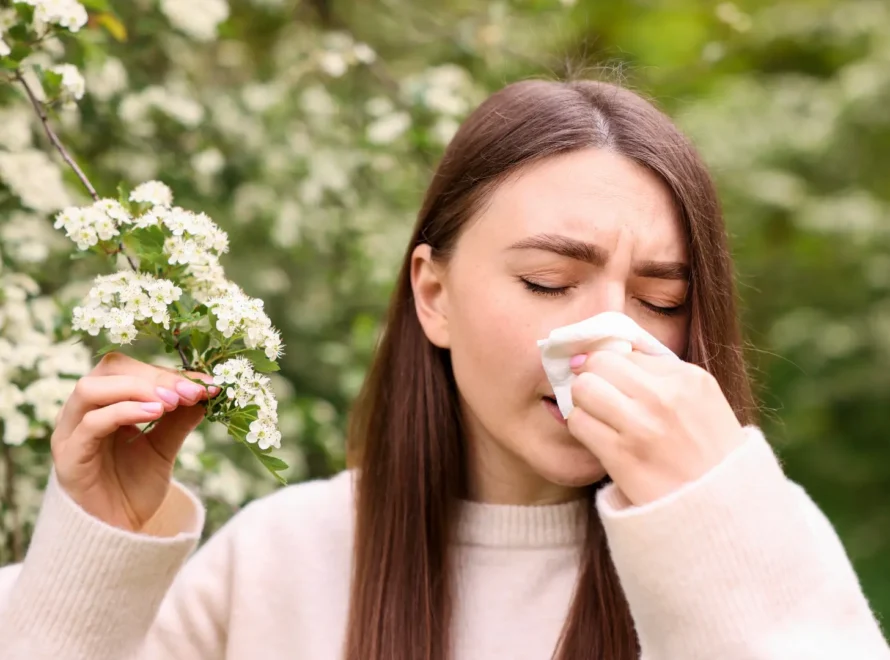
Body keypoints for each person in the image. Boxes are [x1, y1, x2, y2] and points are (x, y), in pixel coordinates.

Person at [0, 79, 888, 660]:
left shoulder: (762, 541)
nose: (610, 337)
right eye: (549, 281)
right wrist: (93, 557)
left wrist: (714, 523)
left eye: (659, 298)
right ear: (434, 293)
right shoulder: (281, 560)